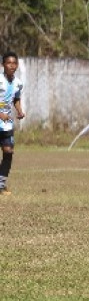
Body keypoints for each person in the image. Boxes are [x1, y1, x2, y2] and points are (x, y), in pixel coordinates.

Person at [0, 52, 25, 196]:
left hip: (6, 124)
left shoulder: (18, 83)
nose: (12, 66)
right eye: (9, 63)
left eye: (14, 63)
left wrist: (19, 111)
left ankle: (1, 185)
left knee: (8, 151)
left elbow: (16, 98)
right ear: (3, 64)